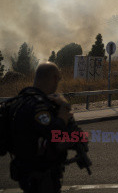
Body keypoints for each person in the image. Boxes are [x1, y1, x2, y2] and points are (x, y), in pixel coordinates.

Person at [8, 62, 73, 193]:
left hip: (25, 172)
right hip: (41, 176)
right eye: (58, 79)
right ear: (54, 78)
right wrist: (64, 109)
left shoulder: (19, 101)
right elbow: (55, 132)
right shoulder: (39, 106)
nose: (58, 82)